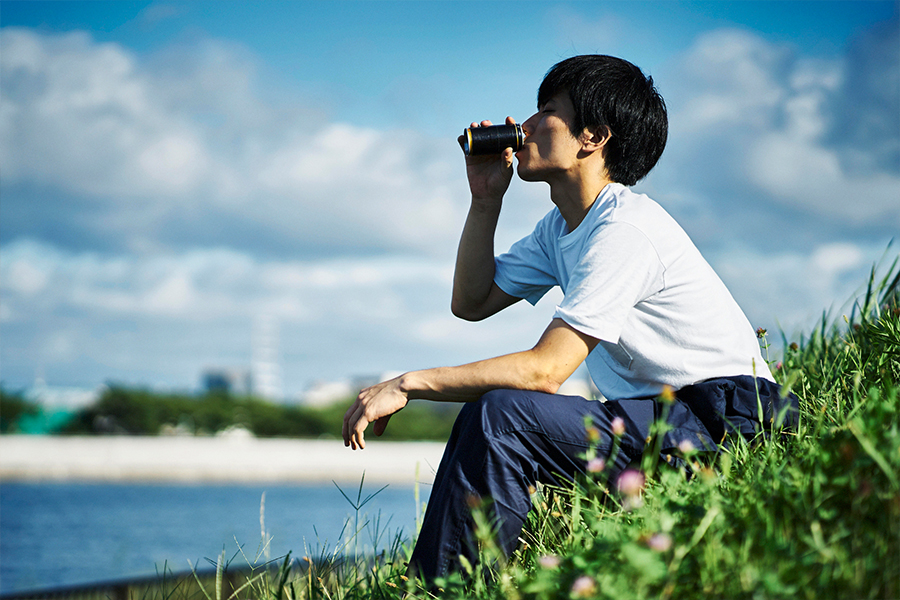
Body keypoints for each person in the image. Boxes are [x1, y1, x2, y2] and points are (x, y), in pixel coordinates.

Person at [341, 55, 797, 582]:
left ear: (593, 136)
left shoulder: (625, 229)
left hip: (730, 421)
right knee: (501, 417)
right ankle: (451, 584)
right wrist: (484, 201)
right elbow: (471, 302)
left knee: (502, 416)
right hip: (658, 420)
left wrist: (410, 383)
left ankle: (445, 591)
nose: (525, 126)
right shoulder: (559, 229)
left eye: (546, 112)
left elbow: (544, 372)